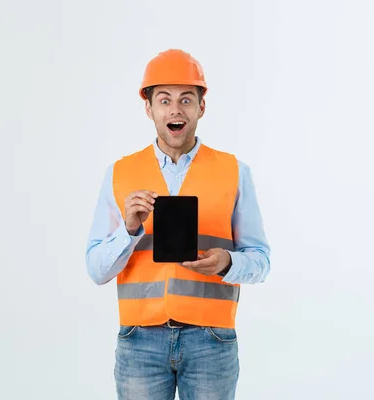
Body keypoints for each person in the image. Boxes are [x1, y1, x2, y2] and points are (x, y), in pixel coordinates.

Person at [85, 49, 271, 400]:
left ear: (201, 107)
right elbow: (96, 269)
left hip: (211, 342)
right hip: (139, 343)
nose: (175, 109)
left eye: (186, 99)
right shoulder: (120, 174)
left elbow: (261, 261)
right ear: (149, 108)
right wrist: (127, 229)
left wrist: (228, 262)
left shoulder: (235, 172)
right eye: (164, 100)